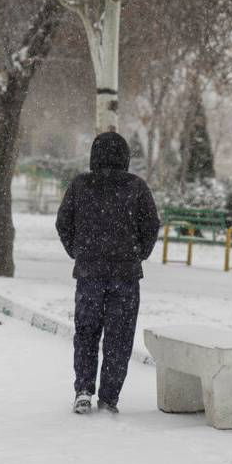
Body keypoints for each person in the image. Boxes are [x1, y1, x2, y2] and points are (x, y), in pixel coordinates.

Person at [56, 131, 160, 415]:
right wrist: (137, 253)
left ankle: (84, 389)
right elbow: (152, 226)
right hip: (125, 277)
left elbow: (63, 223)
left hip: (89, 275)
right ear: (125, 157)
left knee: (86, 333)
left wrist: (79, 252)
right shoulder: (136, 187)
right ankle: (109, 397)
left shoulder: (80, 185)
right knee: (119, 337)